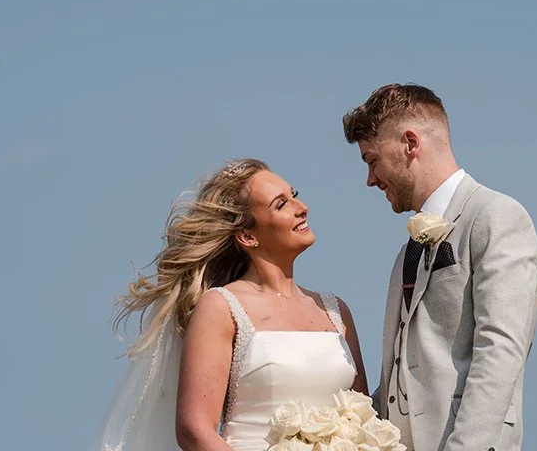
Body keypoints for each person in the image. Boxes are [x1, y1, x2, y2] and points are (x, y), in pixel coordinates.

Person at [91, 158, 370, 451]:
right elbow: (194, 430)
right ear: (248, 236)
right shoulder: (221, 308)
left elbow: (363, 416)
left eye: (294, 195)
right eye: (280, 204)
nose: (302, 208)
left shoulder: (336, 311)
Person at [343, 84, 537, 451]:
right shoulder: (406, 253)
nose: (370, 179)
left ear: (410, 143)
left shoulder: (496, 215)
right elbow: (403, 377)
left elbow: (499, 350)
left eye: (372, 160)